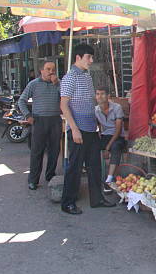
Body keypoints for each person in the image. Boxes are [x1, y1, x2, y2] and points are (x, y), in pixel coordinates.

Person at [60, 44, 115, 214]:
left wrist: (97, 121)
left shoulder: (87, 76)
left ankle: (97, 199)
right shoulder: (69, 77)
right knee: (74, 168)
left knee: (95, 166)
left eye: (91, 57)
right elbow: (63, 105)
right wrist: (74, 129)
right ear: (78, 57)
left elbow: (90, 102)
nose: (91, 61)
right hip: (78, 130)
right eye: (88, 57)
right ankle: (68, 203)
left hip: (91, 129)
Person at [18, 61, 62, 190]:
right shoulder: (34, 84)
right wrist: (28, 115)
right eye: (48, 69)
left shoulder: (59, 84)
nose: (51, 71)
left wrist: (57, 84)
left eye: (53, 69)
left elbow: (66, 97)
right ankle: (33, 179)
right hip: (39, 120)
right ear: (41, 70)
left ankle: (50, 175)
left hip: (55, 119)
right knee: (37, 151)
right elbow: (21, 101)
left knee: (54, 150)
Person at [94, 86, 127, 193]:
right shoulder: (96, 110)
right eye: (98, 94)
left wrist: (107, 148)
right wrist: (99, 141)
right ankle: (96, 177)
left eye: (102, 94)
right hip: (105, 135)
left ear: (108, 96)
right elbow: (97, 128)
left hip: (118, 136)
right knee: (92, 147)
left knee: (115, 147)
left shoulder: (117, 107)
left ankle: (109, 179)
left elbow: (118, 130)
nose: (100, 96)